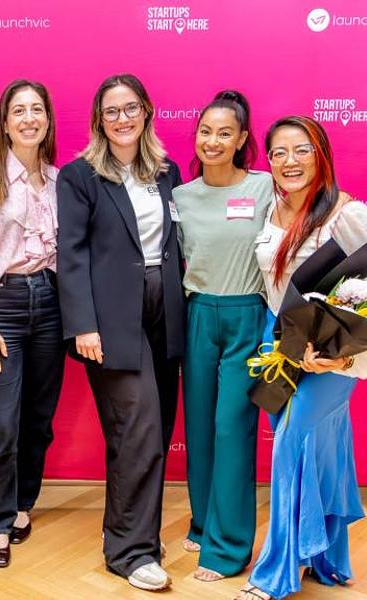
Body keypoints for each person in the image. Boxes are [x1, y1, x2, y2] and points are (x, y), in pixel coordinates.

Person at [56, 74, 184, 591]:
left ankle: (131, 531)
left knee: (154, 430)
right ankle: (132, 554)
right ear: (99, 120)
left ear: (146, 111)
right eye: (111, 111)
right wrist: (83, 324)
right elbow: (70, 255)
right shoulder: (80, 176)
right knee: (139, 429)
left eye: (130, 108)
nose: (122, 118)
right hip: (110, 322)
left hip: (165, 314)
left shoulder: (167, 171)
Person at [236, 116, 367, 600]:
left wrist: (339, 355)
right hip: (282, 344)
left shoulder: (347, 214)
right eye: (279, 153)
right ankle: (327, 559)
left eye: (301, 150)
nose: (289, 161)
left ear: (321, 155)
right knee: (324, 445)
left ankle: (275, 573)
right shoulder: (269, 209)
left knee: (292, 443)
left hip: (334, 357)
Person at [0, 79, 64, 569]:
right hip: (1, 306)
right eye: (18, 111)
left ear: (47, 120)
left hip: (51, 302)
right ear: (3, 122)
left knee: (38, 419)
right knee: (1, 423)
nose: (28, 119)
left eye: (36, 110)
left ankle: (24, 502)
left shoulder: (61, 182)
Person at [172, 90, 274, 581]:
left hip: (246, 314)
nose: (212, 141)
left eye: (224, 133)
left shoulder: (264, 186)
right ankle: (203, 522)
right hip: (197, 313)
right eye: (205, 131)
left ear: (241, 139)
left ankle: (229, 549)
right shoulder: (181, 196)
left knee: (232, 428)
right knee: (199, 428)